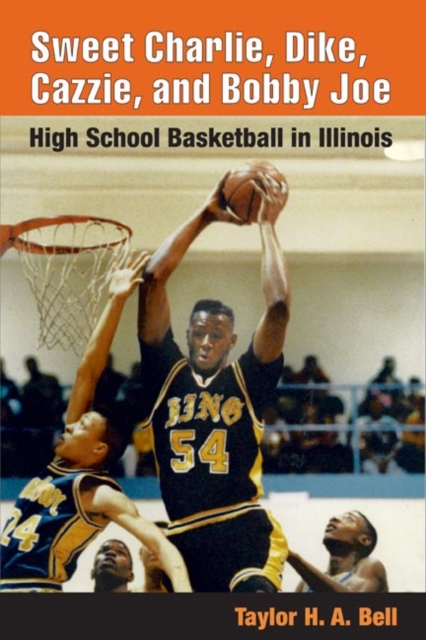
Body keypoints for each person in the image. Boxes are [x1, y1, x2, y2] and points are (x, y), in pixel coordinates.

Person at [0, 250, 192, 594]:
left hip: (33, 591)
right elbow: (87, 372)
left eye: (80, 426)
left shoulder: (97, 492)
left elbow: (160, 543)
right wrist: (116, 300)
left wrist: (184, 592)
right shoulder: (60, 468)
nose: (69, 426)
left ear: (98, 448)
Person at [137, 169, 291, 592]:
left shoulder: (246, 379)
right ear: (186, 335)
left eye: (216, 335)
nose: (205, 342)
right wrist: (204, 216)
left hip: (242, 529)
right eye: (199, 333)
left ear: (232, 341)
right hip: (183, 534)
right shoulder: (165, 374)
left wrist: (267, 226)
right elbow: (152, 279)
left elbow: (277, 307)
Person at [287, 510, 389, 592]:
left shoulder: (372, 566)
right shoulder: (305, 583)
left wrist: (294, 559)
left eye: (348, 519)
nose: (334, 518)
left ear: (364, 540)